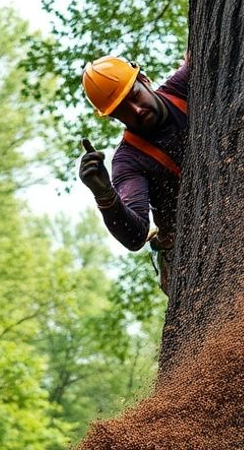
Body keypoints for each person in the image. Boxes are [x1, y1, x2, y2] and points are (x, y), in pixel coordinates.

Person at [78, 52, 190, 294]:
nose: (136, 110)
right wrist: (104, 194)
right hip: (189, 256)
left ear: (144, 80)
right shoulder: (129, 161)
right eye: (122, 110)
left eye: (135, 96)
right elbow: (136, 235)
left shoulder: (183, 86)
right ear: (112, 117)